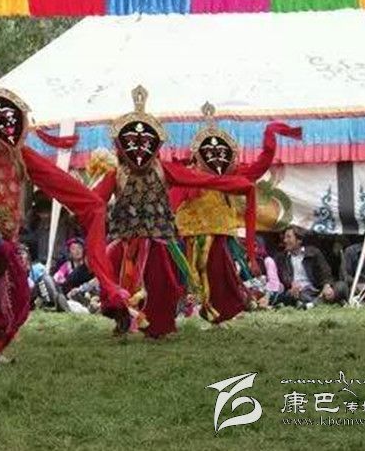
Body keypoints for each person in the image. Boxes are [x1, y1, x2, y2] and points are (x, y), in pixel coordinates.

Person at [0, 62, 126, 364]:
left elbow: (56, 180)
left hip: (6, 238)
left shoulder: (18, 154)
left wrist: (90, 203)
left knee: (17, 299)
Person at [93, 86, 257, 337]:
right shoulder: (116, 174)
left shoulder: (163, 169)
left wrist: (237, 185)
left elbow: (200, 179)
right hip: (125, 239)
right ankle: (124, 320)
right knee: (117, 281)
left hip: (158, 239)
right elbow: (94, 200)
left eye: (146, 142)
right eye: (134, 142)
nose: (140, 148)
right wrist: (80, 206)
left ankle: (157, 327)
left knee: (164, 285)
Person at [173, 102, 302, 323]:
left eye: (219, 152)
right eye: (209, 152)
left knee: (222, 274)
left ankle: (220, 312)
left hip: (222, 233)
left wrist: (270, 138)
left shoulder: (229, 175)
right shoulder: (189, 175)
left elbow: (258, 167)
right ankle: (201, 308)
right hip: (195, 235)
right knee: (199, 271)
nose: (214, 156)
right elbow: (174, 198)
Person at [275, 227, 337, 307]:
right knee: (290, 296)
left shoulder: (314, 253)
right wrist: (291, 284)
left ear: (299, 240)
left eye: (289, 237)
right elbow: (283, 276)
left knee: (341, 287)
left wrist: (327, 286)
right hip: (298, 292)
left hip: (315, 289)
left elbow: (325, 272)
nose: (285, 240)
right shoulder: (282, 258)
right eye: (284, 237)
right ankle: (315, 303)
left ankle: (310, 303)